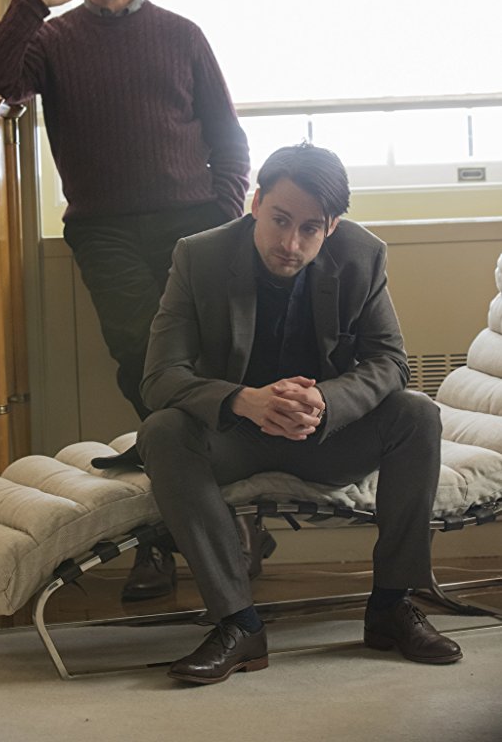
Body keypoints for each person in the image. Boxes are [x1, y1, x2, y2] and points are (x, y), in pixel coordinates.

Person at [0, 0, 273, 600]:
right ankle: (192, 523)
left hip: (192, 223)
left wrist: (223, 216)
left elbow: (229, 138)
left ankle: (181, 526)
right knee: (142, 359)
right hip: (104, 229)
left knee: (198, 361)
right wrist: (34, 3)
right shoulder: (52, 39)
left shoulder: (181, 34)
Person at [135, 142, 462, 685]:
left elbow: (390, 362)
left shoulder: (362, 255)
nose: (290, 243)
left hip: (326, 437)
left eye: (310, 228)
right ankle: (238, 624)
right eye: (280, 220)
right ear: (256, 203)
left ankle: (391, 605)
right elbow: (159, 377)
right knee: (163, 429)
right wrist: (245, 400)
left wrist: (326, 400)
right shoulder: (199, 256)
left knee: (417, 414)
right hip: (236, 437)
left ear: (332, 227)